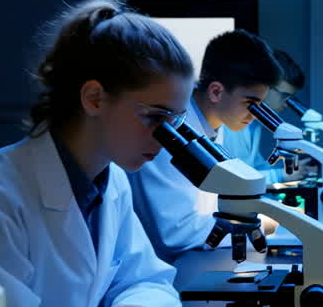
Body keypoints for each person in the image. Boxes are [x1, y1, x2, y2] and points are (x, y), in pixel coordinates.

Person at [0, 0, 194, 307]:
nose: (167, 139)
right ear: (94, 98)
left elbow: (147, 279)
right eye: (155, 117)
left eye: (176, 123)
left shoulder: (112, 179)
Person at [130, 28, 281, 260]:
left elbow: (214, 208)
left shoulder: (212, 127)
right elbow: (175, 232)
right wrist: (265, 222)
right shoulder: (170, 138)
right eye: (250, 103)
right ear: (216, 91)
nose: (254, 115)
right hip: (171, 267)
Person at [222, 48, 307, 179]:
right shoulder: (230, 123)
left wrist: (291, 170)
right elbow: (233, 179)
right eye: (284, 96)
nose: (286, 104)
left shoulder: (253, 124)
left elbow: (254, 167)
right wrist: (280, 175)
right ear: (263, 87)